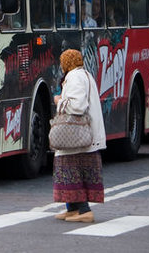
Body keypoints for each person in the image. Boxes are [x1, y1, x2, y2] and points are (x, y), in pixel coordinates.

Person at [52, 49, 106, 223]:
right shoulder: (84, 74)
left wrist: (58, 101)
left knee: (72, 170)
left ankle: (84, 209)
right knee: (73, 169)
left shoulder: (75, 77)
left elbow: (78, 106)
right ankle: (73, 208)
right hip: (83, 134)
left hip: (76, 134)